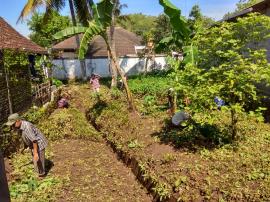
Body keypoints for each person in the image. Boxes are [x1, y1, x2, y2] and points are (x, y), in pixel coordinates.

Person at [6, 113, 48, 177]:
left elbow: (34, 140)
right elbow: (26, 137)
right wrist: (25, 147)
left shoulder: (27, 127)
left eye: (13, 124)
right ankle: (38, 172)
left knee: (38, 161)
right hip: (34, 145)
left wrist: (36, 153)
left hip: (39, 143)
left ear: (17, 121)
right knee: (35, 160)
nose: (12, 127)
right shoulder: (21, 126)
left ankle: (42, 175)